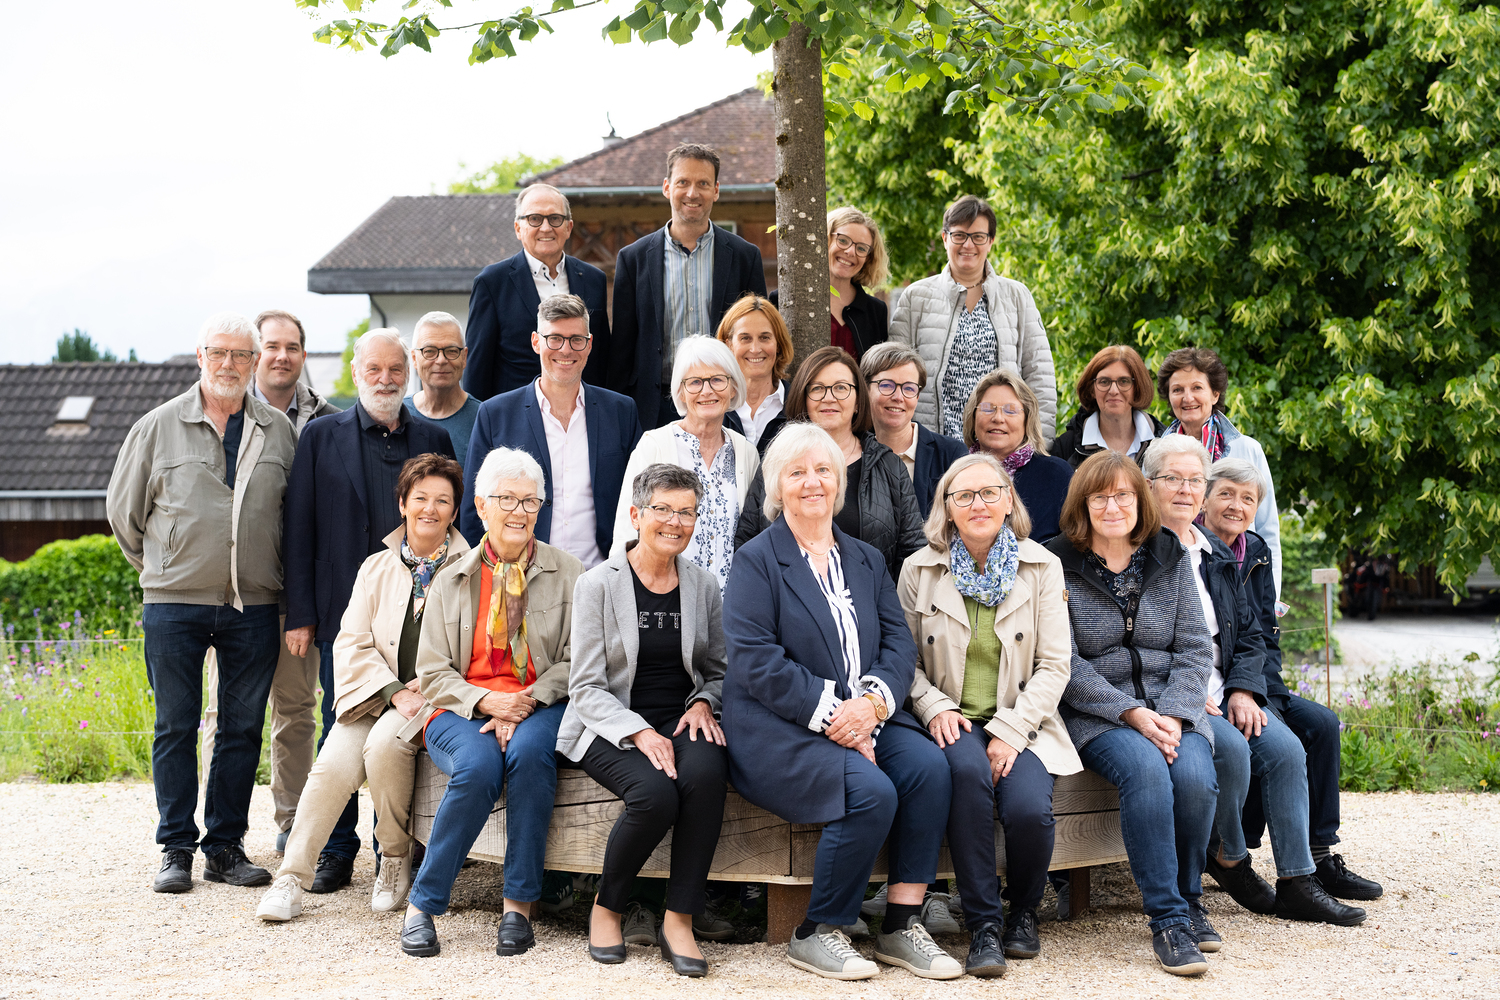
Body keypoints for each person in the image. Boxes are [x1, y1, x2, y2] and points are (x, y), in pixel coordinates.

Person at [723, 424, 960, 982]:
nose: (812, 482)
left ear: (839, 482)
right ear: (777, 486)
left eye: (823, 470)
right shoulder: (756, 560)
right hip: (781, 724)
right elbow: (756, 661)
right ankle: (819, 929)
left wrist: (871, 707)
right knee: (871, 792)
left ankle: (900, 923)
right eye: (797, 472)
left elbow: (899, 644)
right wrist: (839, 717)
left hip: (868, 714)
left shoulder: (866, 558)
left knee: (929, 770)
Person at [106, 312, 298, 893]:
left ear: (254, 362)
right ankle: (175, 849)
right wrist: (166, 566)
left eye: (241, 355)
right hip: (173, 604)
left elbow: (291, 515)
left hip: (254, 603)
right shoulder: (157, 426)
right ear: (200, 356)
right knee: (175, 725)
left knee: (243, 728)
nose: (229, 364)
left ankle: (224, 848)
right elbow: (124, 514)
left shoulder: (278, 430)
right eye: (218, 352)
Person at [1144, 438, 1365, 929]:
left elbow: (1250, 635)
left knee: (1286, 751)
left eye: (1193, 481)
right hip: (1178, 693)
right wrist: (1186, 691)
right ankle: (1229, 855)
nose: (1185, 490)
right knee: (1234, 752)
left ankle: (1298, 881)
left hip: (1226, 687)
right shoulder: (1142, 550)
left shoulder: (1217, 554)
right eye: (1174, 480)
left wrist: (1244, 689)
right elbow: (1139, 640)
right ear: (1151, 485)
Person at [256, 454, 467, 922]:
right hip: (377, 695)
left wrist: (424, 686)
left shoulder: (470, 569)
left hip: (434, 698)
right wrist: (393, 690)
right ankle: (291, 877)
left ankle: (393, 857)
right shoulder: (375, 567)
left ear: (455, 510)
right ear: (402, 504)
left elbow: (473, 649)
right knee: (331, 766)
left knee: (384, 748)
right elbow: (351, 642)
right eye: (420, 498)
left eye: (442, 501)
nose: (430, 509)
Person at [282, 328, 456, 893]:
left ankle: (394, 851)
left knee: (400, 737)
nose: (385, 380)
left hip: (420, 617)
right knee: (342, 721)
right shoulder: (320, 435)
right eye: (374, 369)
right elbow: (299, 525)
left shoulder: (432, 436)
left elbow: (448, 520)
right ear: (356, 373)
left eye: (395, 370)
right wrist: (300, 612)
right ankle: (336, 851)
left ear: (408, 374)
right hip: (344, 614)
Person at [400, 447, 584, 958]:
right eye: (507, 499)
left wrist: (524, 700)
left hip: (540, 703)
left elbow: (578, 660)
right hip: (460, 707)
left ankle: (517, 907)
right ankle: (423, 905)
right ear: (481, 506)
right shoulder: (451, 578)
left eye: (530, 501)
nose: (519, 511)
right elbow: (432, 671)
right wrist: (487, 701)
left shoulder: (570, 572)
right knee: (479, 766)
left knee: (528, 754)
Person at [900, 453, 1079, 976]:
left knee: (1028, 810)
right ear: (947, 508)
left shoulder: (1041, 566)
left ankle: (1023, 912)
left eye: (989, 493)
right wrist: (932, 706)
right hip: (952, 718)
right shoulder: (918, 569)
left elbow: (1055, 664)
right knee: (969, 779)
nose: (978, 504)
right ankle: (983, 926)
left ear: (1008, 502)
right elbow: (901, 661)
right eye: (964, 495)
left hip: (1023, 720)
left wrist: (1013, 729)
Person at [1042, 451, 1218, 976]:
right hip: (1100, 714)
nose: (1112, 506)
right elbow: (1064, 661)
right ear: (1082, 505)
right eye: (1099, 497)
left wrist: (1177, 715)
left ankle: (1190, 899)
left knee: (1195, 777)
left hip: (1173, 706)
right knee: (1146, 771)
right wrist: (1131, 713)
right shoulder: (1056, 563)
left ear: (1140, 501)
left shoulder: (1169, 555)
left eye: (1122, 495)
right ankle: (1169, 921)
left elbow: (1195, 646)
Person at [558, 464, 729, 977]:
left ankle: (679, 918)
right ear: (636, 515)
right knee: (655, 795)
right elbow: (585, 687)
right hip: (608, 722)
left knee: (706, 775)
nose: (675, 522)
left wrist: (704, 703)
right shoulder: (597, 584)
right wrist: (638, 731)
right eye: (663, 509)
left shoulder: (703, 585)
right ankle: (607, 907)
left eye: (686, 512)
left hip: (681, 718)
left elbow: (718, 671)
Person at [1203, 458, 1385, 905]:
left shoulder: (1256, 549)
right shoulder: (1196, 550)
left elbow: (1265, 634)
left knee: (1321, 723)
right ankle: (1236, 850)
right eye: (1226, 494)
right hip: (1215, 684)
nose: (1236, 505)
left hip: (1255, 681)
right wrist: (1245, 693)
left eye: (1248, 498)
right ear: (1205, 500)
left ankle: (1320, 857)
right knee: (1272, 736)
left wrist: (1267, 694)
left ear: (1256, 508)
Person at [201, 308, 339, 853]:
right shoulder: (225, 412)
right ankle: (217, 830)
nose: (282, 356)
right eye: (273, 346)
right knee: (224, 712)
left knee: (297, 709)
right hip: (235, 593)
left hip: (297, 594)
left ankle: (292, 824)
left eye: (293, 347)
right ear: (257, 355)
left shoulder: (328, 421)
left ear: (303, 354)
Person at [461, 294, 643, 564]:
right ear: (536, 342)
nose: (566, 350)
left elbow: (641, 498)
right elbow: (474, 510)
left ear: (590, 344)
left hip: (602, 574)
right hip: (521, 574)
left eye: (576, 339)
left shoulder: (621, 412)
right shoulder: (495, 414)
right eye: (554, 338)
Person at [608, 142, 768, 429]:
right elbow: (622, 349)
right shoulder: (633, 259)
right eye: (683, 182)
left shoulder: (745, 257)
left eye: (703, 183)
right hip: (654, 409)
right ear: (667, 187)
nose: (692, 193)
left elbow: (756, 335)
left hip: (725, 405)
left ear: (716, 190)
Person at [735, 346, 924, 582]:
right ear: (803, 398)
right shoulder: (777, 460)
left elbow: (913, 554)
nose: (829, 397)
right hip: (785, 601)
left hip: (871, 601)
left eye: (841, 388)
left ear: (858, 400)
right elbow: (747, 540)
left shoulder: (889, 466)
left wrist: (887, 603)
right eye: (817, 388)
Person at [888, 194, 1056, 444]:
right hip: (933, 445)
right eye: (959, 235)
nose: (968, 245)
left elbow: (1040, 376)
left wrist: (1040, 444)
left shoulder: (1017, 296)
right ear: (945, 238)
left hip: (1001, 445)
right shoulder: (916, 297)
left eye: (978, 237)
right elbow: (894, 374)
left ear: (991, 241)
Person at [611, 337, 758, 592]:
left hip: (731, 603)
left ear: (733, 387)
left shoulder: (746, 452)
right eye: (695, 382)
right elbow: (627, 529)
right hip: (665, 601)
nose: (707, 390)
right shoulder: (654, 446)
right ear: (680, 391)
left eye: (717, 380)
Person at [462, 183, 611, 400]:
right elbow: (477, 369)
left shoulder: (593, 279)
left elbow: (601, 359)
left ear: (568, 227)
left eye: (555, 218)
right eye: (534, 219)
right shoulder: (492, 283)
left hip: (582, 410)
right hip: (516, 413)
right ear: (518, 228)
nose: (546, 228)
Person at [1157, 346, 1281, 592]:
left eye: (1197, 388)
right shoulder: (1155, 454)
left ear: (1215, 394)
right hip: (1174, 580)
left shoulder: (1247, 449)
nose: (1187, 398)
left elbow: (1268, 531)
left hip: (1239, 581)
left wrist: (1272, 597)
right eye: (1178, 390)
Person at [961, 368, 1073, 543]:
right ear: (973, 417)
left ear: (1027, 420)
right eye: (988, 408)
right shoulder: (955, 473)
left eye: (1010, 410)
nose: (998, 418)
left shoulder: (1056, 475)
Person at [859, 342, 967, 518]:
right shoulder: (852, 454)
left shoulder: (951, 454)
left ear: (917, 396)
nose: (898, 397)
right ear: (865, 389)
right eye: (886, 385)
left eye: (909, 388)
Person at [768, 207, 890, 360]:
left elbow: (878, 369)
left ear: (869, 258)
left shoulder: (875, 311)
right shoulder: (783, 299)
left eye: (861, 248)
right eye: (843, 240)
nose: (851, 252)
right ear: (823, 239)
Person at [1052, 345, 1164, 469]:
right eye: (1104, 382)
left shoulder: (1164, 442)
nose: (1113, 391)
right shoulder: (1066, 448)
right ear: (1091, 390)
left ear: (1137, 388)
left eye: (1124, 381)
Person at [717, 293, 792, 453]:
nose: (755, 349)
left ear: (778, 344)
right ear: (729, 345)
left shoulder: (798, 405)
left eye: (765, 338)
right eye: (745, 338)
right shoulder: (712, 404)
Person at [409, 311, 481, 463]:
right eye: (429, 351)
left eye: (451, 351)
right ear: (414, 358)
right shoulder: (397, 416)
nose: (441, 360)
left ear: (464, 357)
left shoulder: (483, 419)